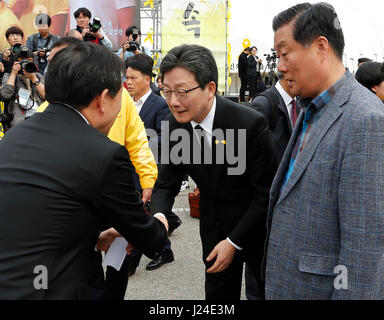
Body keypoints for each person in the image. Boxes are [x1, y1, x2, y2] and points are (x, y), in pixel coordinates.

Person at [0, 42, 168, 299]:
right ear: (102, 99)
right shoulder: (104, 154)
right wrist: (160, 224)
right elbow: (148, 238)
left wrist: (92, 235)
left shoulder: (15, 136)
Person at [265, 2, 384, 300]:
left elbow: (362, 255)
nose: (279, 66)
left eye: (284, 53)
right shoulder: (312, 107)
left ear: (320, 47)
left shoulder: (365, 120)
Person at [151, 44, 277, 300]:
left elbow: (266, 194)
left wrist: (234, 242)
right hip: (213, 227)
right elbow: (166, 182)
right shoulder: (176, 125)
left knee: (266, 291)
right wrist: (159, 215)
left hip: (258, 231)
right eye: (167, 91)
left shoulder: (248, 124)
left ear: (210, 89)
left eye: (183, 92)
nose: (174, 102)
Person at [0, 46, 45, 127]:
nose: (25, 64)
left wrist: (33, 78)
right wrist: (14, 73)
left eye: (29, 61)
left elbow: (47, 96)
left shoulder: (37, 76)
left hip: (41, 117)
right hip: (21, 120)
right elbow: (6, 95)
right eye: (22, 62)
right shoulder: (9, 76)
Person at [69, 0, 137, 49]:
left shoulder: (98, 31)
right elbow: (71, 50)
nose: (82, 20)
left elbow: (110, 47)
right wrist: (82, 37)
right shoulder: (73, 32)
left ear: (89, 18)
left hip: (99, 61)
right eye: (79, 18)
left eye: (84, 17)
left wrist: (100, 37)